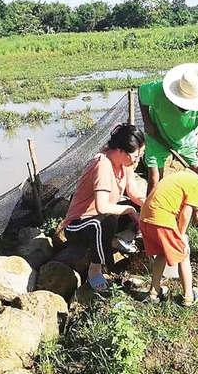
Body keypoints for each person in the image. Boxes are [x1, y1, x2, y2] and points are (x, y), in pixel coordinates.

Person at [138, 145, 198, 306]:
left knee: (162, 253)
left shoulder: (186, 175)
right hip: (162, 220)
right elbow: (186, 212)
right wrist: (181, 235)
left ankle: (154, 292)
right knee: (184, 253)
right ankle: (188, 296)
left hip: (146, 218)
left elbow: (195, 203)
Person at [56, 123, 146, 293]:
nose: (137, 159)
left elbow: (133, 192)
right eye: (136, 155)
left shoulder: (124, 164)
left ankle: (114, 240)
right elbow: (102, 206)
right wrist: (131, 211)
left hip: (102, 216)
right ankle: (95, 269)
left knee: (136, 206)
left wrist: (150, 206)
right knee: (104, 221)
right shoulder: (103, 165)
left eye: (140, 154)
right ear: (120, 151)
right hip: (80, 224)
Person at [138, 62, 198, 193]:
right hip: (157, 136)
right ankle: (149, 212)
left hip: (186, 142)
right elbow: (141, 93)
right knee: (155, 181)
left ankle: (196, 213)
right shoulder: (158, 90)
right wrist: (147, 122)